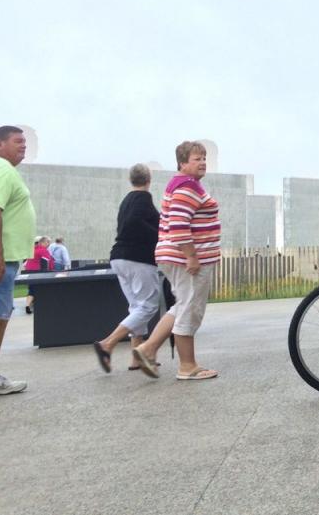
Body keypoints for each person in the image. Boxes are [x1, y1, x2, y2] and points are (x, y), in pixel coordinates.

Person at [131, 141, 222, 379]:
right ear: (182, 163)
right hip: (187, 259)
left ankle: (148, 348)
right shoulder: (186, 187)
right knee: (190, 309)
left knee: (181, 305)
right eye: (196, 159)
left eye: (204, 158)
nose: (202, 162)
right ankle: (187, 366)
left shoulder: (184, 185)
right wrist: (191, 256)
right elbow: (179, 225)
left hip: (178, 257)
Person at [92, 164, 161, 373]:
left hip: (119, 257)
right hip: (138, 258)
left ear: (131, 179)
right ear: (149, 179)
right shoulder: (143, 199)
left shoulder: (126, 201)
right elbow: (137, 223)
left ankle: (135, 357)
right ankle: (108, 344)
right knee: (148, 306)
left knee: (137, 306)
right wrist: (158, 235)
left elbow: (128, 223)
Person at [0, 126, 35, 395]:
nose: (23, 145)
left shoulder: (7, 170)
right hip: (4, 257)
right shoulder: (2, 169)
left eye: (24, 142)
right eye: (17, 141)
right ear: (0, 145)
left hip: (9, 257)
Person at [22, 235, 54, 314]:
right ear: (44, 242)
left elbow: (25, 262)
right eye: (48, 242)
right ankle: (43, 306)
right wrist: (48, 273)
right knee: (42, 289)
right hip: (37, 272)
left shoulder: (33, 249)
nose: (49, 245)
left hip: (29, 272)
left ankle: (27, 305)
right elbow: (45, 264)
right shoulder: (44, 250)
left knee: (32, 289)